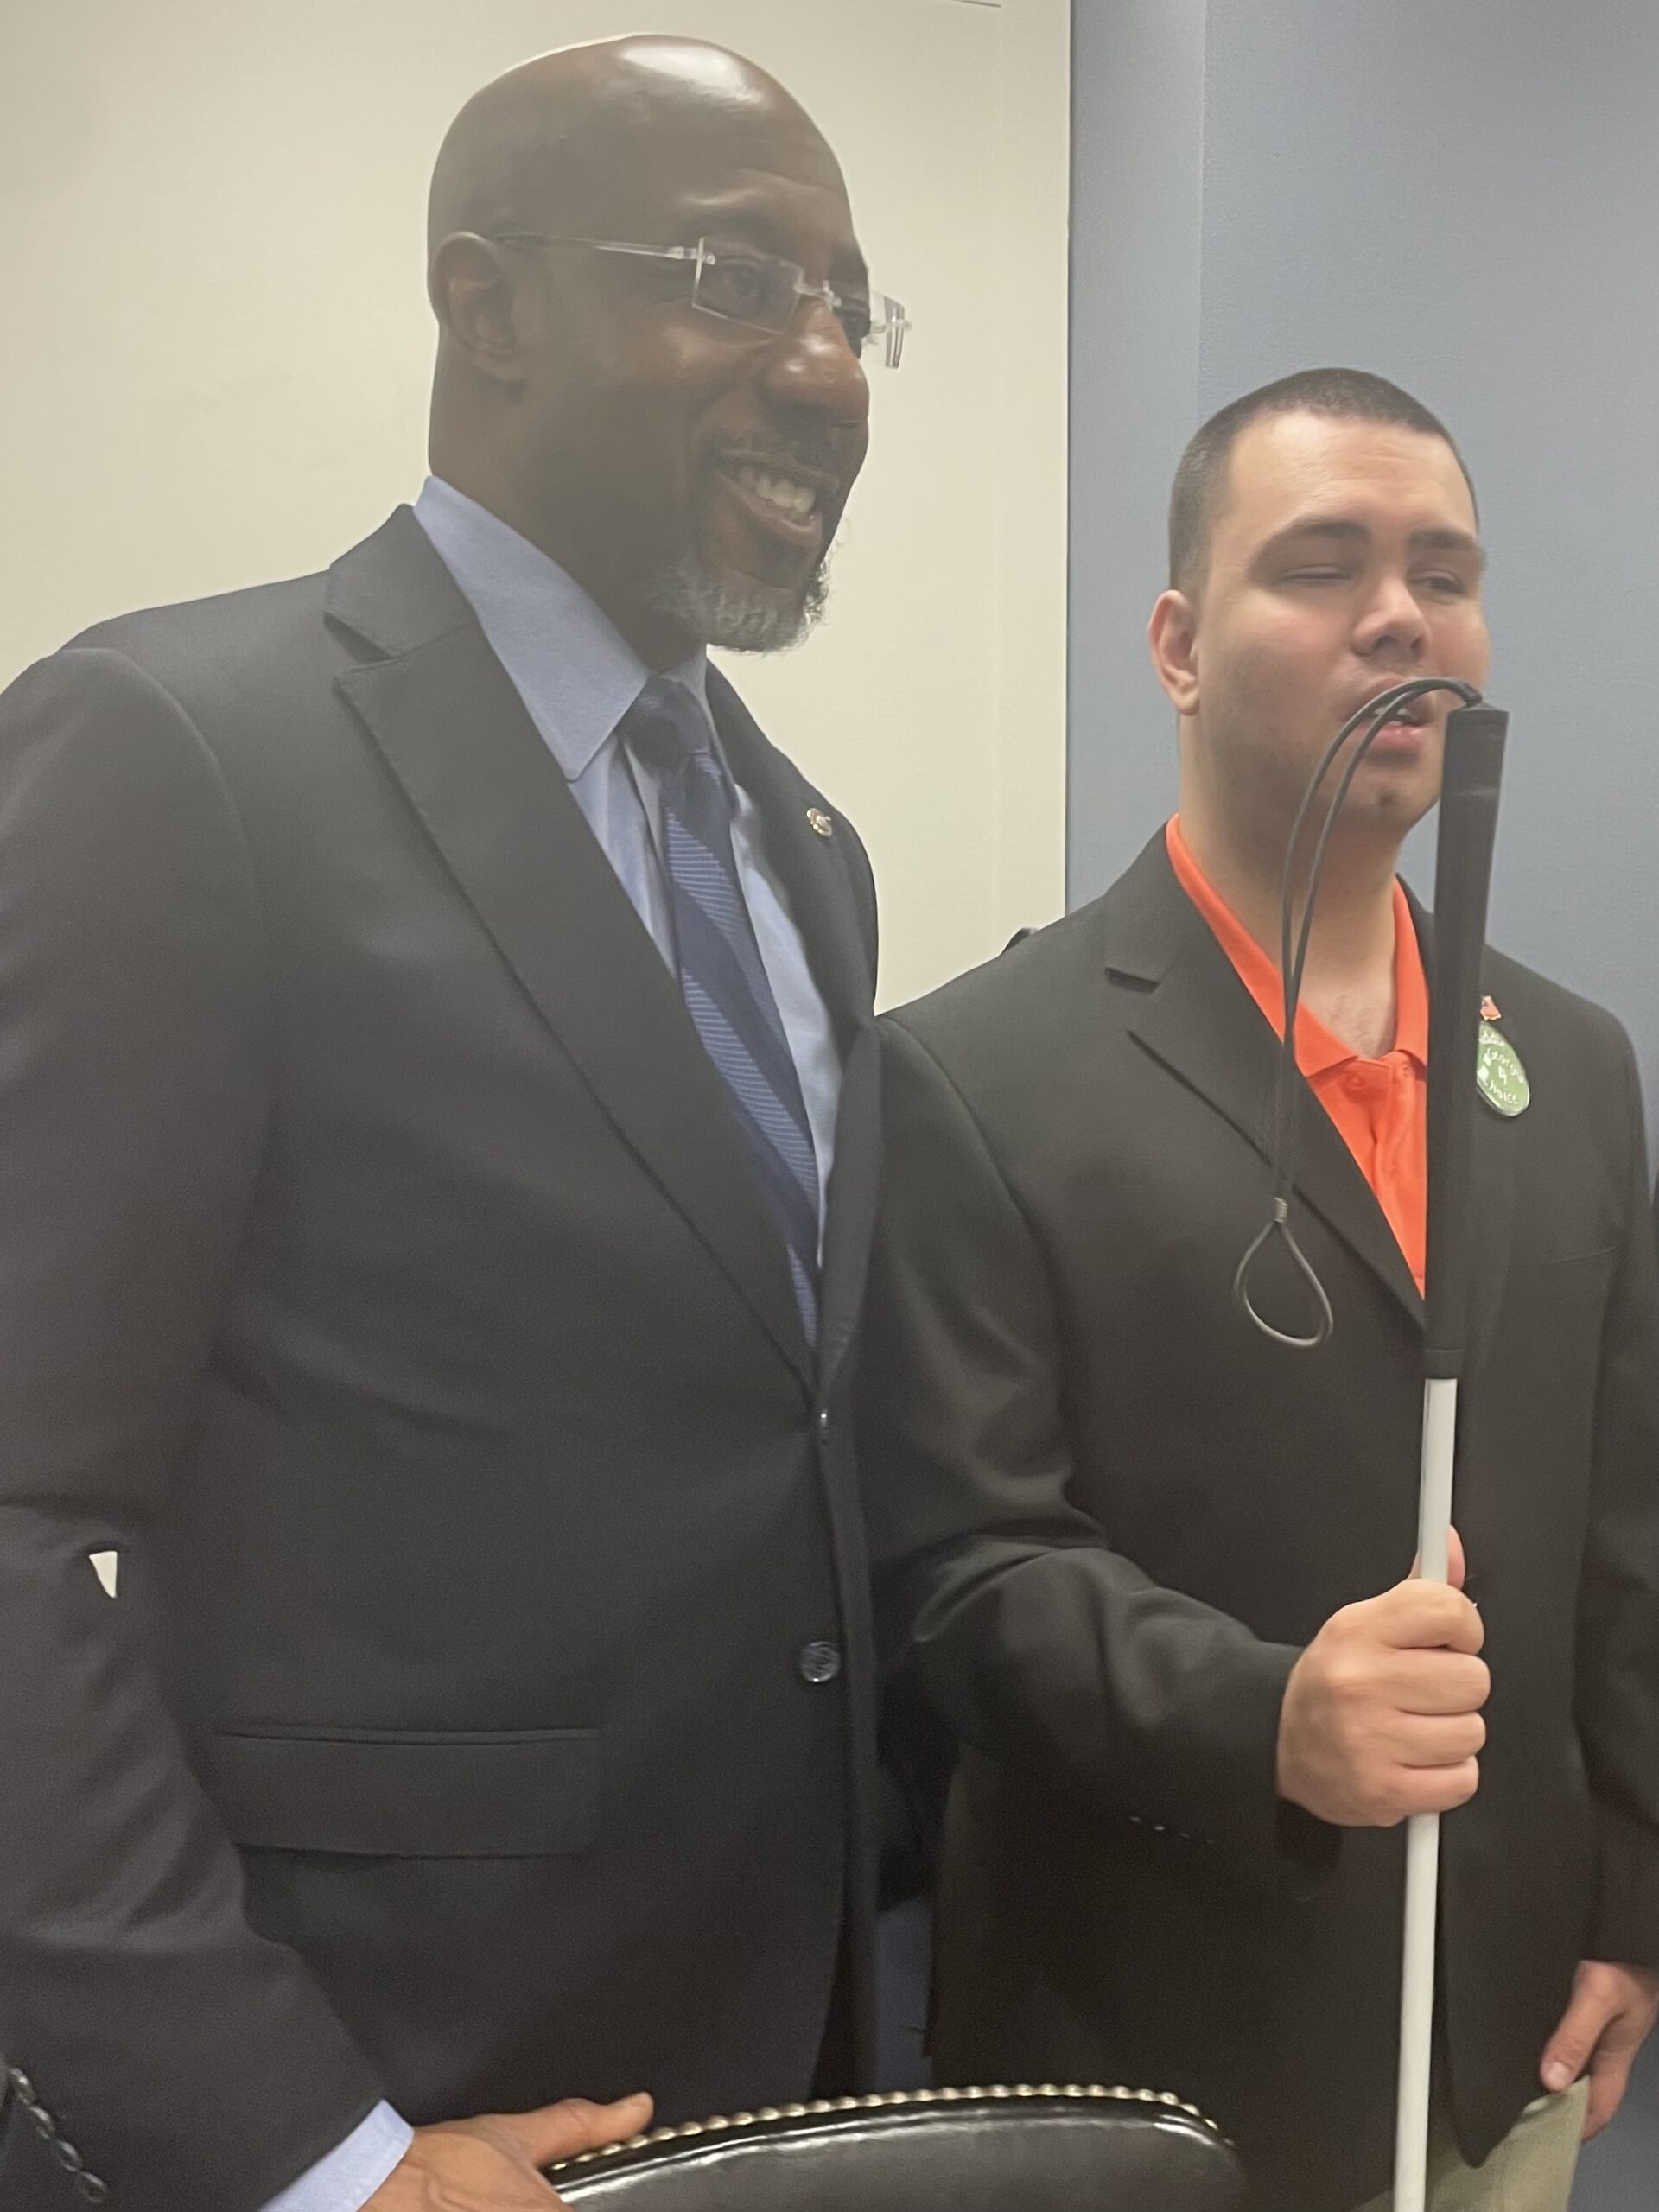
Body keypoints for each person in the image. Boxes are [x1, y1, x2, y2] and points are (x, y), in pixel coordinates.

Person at [0, 35, 906, 2212]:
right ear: (485, 304)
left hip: (778, 2076)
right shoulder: (179, 750)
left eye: (851, 308)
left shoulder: (806, 846)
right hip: (383, 2093)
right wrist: (313, 2151)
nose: (823, 370)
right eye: (734, 279)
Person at [861, 368, 1659, 2212]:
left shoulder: (1572, 1062)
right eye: (1320, 566)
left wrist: (1633, 1891)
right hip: (1154, 2065)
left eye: (1443, 575)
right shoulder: (975, 1075)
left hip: (1506, 2056)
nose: (1400, 617)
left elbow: (1625, 1527)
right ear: (1178, 645)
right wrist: (1268, 1713)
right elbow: (965, 1574)